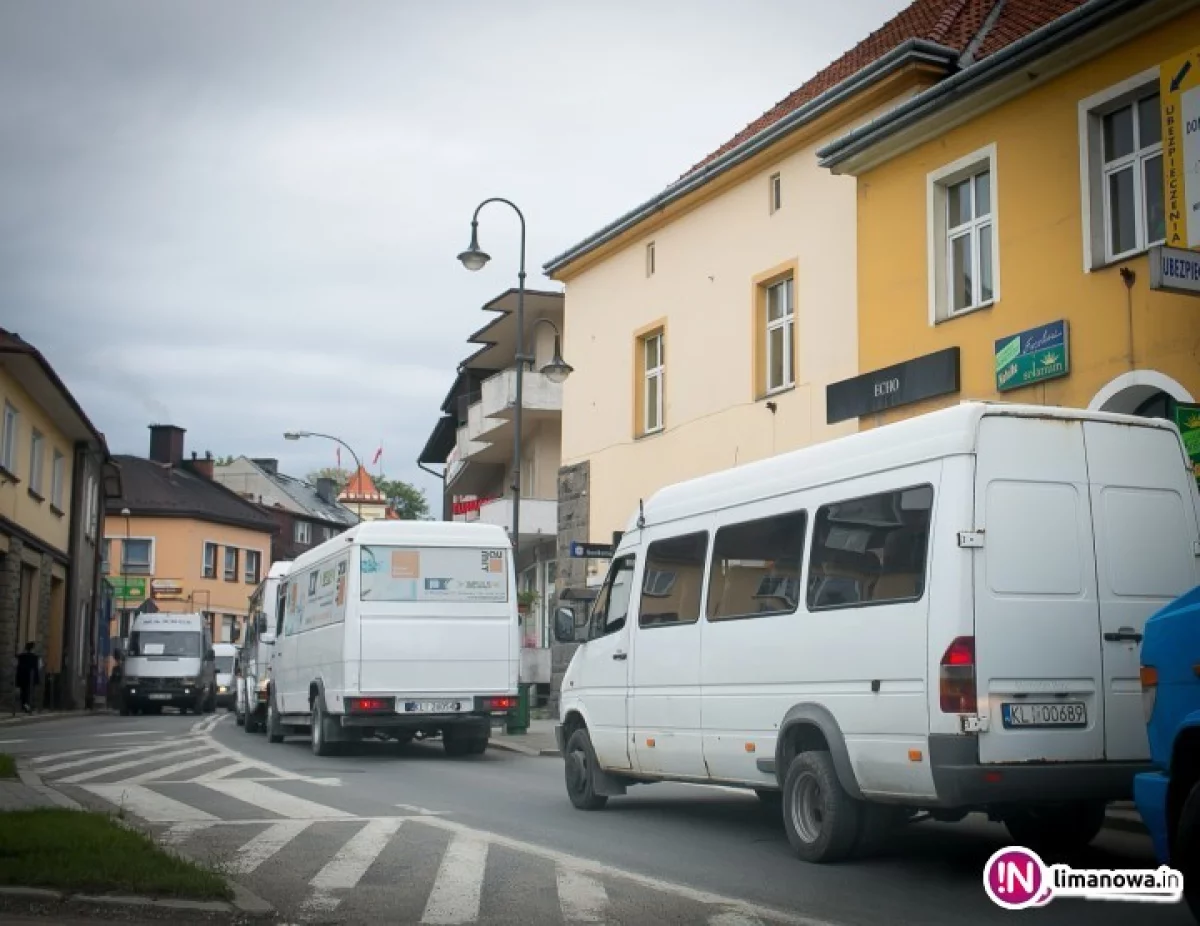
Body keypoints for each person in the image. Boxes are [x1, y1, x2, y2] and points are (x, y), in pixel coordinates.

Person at [15, 641, 39, 714]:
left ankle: (24, 706)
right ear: (32, 648)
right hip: (30, 679)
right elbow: (37, 668)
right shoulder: (35, 657)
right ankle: (28, 707)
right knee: (30, 693)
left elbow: (18, 667)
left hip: (22, 678)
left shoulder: (21, 656)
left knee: (24, 693)